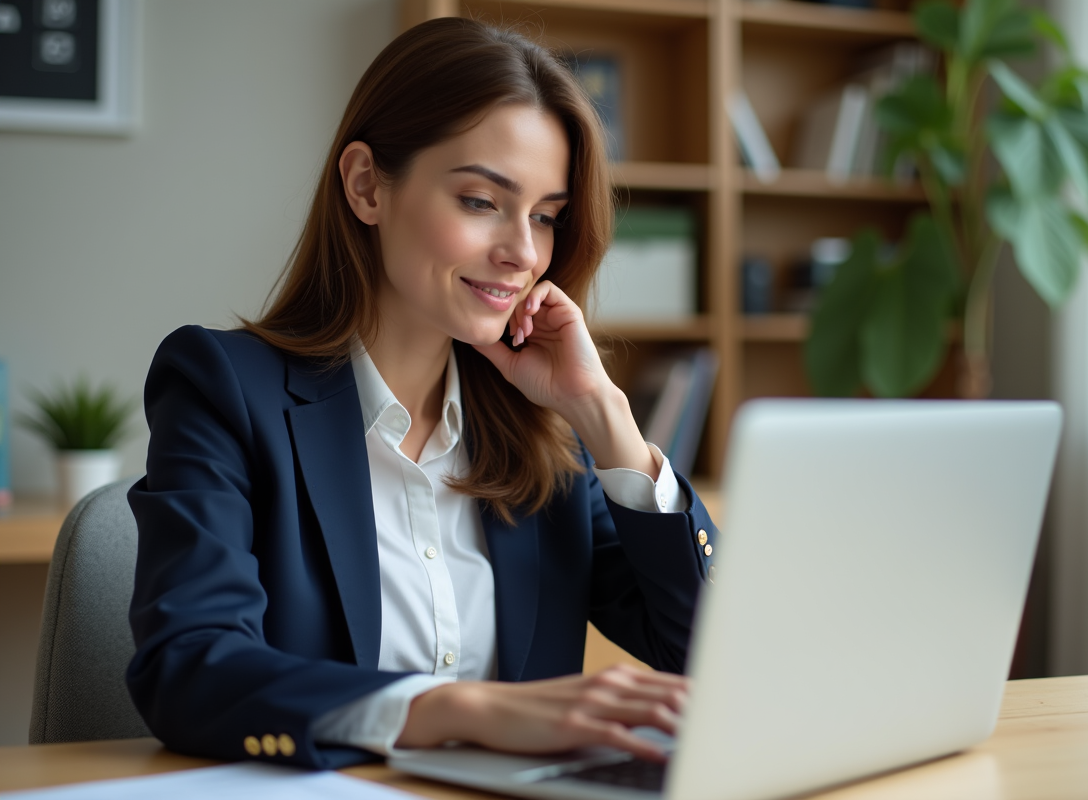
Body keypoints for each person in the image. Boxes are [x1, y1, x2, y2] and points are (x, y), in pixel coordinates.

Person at [125, 17, 719, 770]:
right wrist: (457, 709)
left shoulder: (547, 433)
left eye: (546, 217)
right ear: (367, 185)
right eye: (480, 201)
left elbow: (708, 658)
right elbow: (187, 667)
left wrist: (604, 417)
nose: (524, 252)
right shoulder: (222, 387)